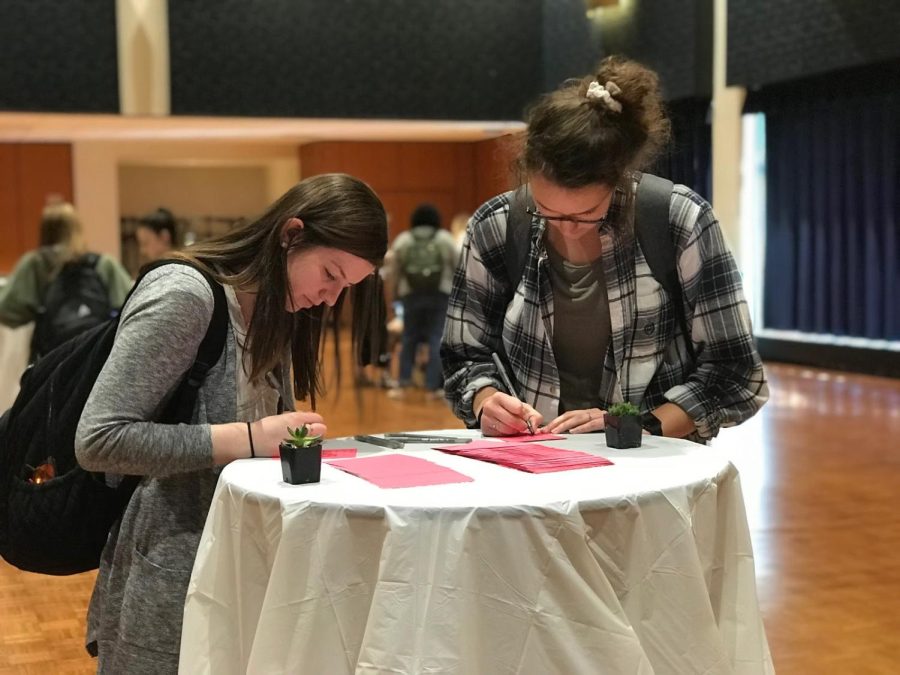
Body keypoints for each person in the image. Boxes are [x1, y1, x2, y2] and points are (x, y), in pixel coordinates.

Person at [73, 173, 388, 673]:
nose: (330, 298)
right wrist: (248, 439)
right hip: (169, 573)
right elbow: (100, 440)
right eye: (330, 274)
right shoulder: (185, 295)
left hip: (242, 565)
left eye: (344, 288)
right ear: (291, 234)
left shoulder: (278, 309)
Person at [441, 56, 768, 441]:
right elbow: (464, 355)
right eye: (546, 211)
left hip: (651, 467)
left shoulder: (679, 220)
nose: (569, 230)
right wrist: (486, 399)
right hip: (532, 460)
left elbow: (734, 372)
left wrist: (634, 427)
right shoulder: (495, 226)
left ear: (618, 180)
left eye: (587, 213)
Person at [0, 201, 133, 358]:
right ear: (77, 229)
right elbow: (131, 305)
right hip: (99, 357)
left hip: (52, 359)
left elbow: (8, 311)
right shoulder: (104, 263)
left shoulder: (36, 264)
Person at [386, 203, 458, 395]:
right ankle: (433, 385)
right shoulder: (444, 238)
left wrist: (395, 294)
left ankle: (404, 380)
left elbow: (394, 270)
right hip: (440, 294)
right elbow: (458, 265)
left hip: (411, 294)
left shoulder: (404, 240)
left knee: (409, 337)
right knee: (436, 338)